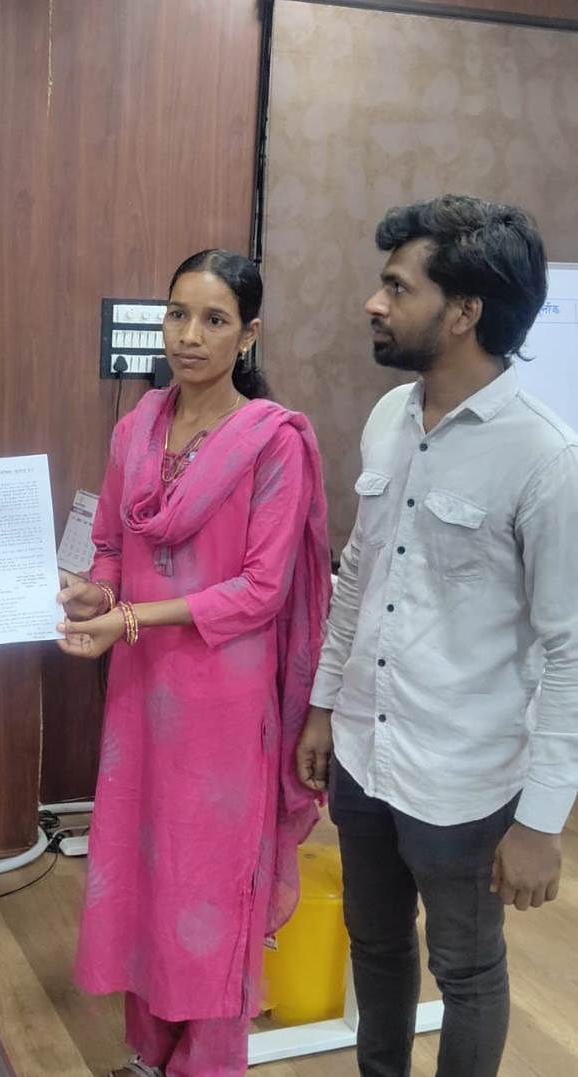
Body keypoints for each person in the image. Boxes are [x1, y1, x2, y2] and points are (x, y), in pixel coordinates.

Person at [296, 195, 577, 1077]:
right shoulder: (388, 416)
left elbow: (570, 651)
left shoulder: (546, 459)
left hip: (463, 778)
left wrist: (540, 821)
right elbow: (357, 575)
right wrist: (323, 705)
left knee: (465, 970)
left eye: (396, 287)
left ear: (463, 312)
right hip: (362, 750)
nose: (373, 303)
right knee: (375, 945)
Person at [57, 250, 331, 1077]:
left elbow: (259, 589)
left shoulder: (272, 441)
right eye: (177, 314)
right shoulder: (135, 428)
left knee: (205, 882)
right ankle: (149, 1051)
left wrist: (129, 618)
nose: (188, 334)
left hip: (221, 700)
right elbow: (111, 543)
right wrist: (96, 592)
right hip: (140, 690)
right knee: (144, 869)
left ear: (247, 334)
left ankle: (204, 1062)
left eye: (213, 320)